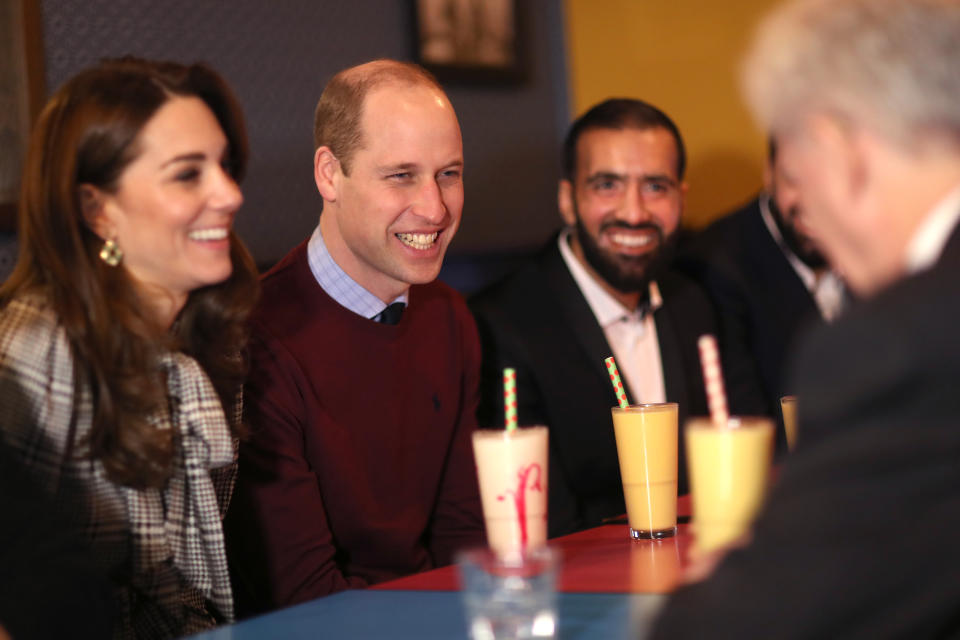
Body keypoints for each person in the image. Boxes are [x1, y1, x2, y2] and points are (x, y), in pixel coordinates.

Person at [652, 0, 960, 636]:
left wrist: (727, 581)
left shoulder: (899, 342)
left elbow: (764, 617)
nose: (807, 217)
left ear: (840, 150)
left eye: (799, 177)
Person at [0, 58, 259, 637]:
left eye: (225, 166)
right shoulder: (36, 355)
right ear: (98, 210)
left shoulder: (204, 336)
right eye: (188, 174)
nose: (230, 193)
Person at [224, 59, 485, 615]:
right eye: (401, 176)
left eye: (449, 173)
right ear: (328, 174)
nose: (435, 207)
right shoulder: (257, 341)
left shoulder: (449, 316)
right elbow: (303, 600)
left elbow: (465, 536)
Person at [470, 98, 765, 538]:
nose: (634, 212)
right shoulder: (502, 324)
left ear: (681, 198)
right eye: (607, 185)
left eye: (655, 187)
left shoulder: (693, 303)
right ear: (568, 200)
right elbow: (543, 523)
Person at [679, 138, 846, 451]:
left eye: (830, 177)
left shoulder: (878, 242)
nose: (814, 199)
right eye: (795, 179)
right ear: (768, 173)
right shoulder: (712, 268)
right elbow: (751, 434)